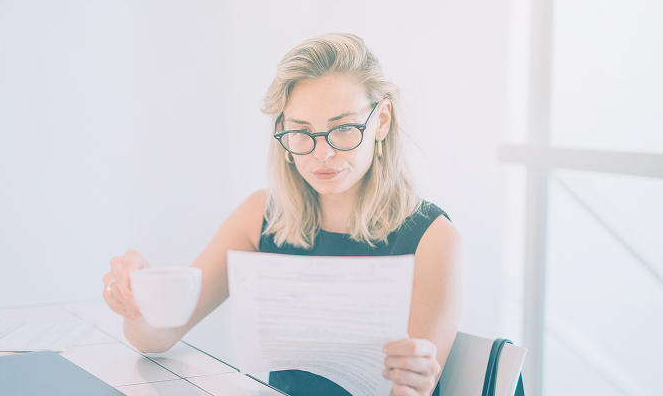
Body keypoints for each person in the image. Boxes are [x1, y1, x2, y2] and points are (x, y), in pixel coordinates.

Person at [102, 33, 462, 396]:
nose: (321, 153)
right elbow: (157, 337)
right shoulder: (260, 217)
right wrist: (139, 298)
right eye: (301, 132)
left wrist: (414, 385)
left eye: (343, 129)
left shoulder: (433, 239)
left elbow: (413, 388)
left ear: (381, 121)